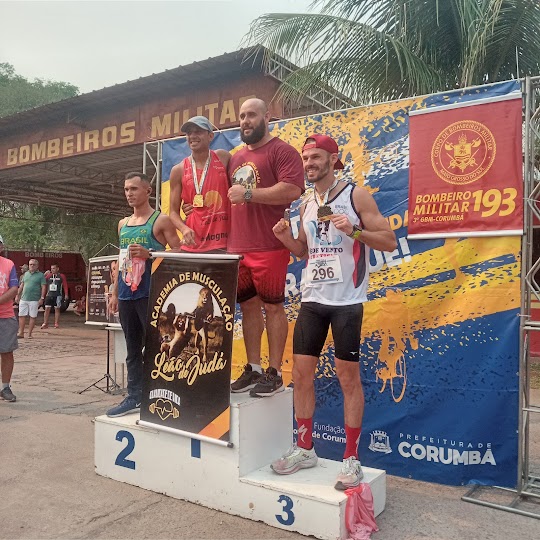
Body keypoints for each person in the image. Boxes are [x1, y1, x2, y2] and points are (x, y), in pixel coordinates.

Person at [270, 134, 397, 490]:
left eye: (316, 157)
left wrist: (354, 230)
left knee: (347, 378)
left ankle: (351, 458)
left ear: (332, 159)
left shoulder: (355, 195)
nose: (309, 164)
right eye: (305, 158)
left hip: (346, 302)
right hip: (312, 299)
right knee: (301, 374)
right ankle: (305, 448)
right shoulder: (306, 203)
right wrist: (284, 238)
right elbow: (303, 251)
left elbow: (389, 241)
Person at [228, 98, 305, 397]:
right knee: (247, 307)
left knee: (273, 307)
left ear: (266, 117)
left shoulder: (282, 151)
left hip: (269, 245)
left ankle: (274, 372)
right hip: (238, 247)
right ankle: (254, 368)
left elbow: (292, 189)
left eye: (251, 115)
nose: (245, 121)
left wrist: (248, 194)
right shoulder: (235, 157)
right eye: (241, 116)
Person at [107, 172, 182, 417]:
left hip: (152, 294)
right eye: (126, 189)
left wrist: (150, 254)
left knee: (158, 347)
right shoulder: (123, 224)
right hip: (126, 294)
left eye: (134, 189)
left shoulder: (160, 221)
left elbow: (180, 252)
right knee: (132, 349)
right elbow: (122, 260)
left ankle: (162, 394)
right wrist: (115, 293)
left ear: (148, 191)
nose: (129, 193)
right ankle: (134, 396)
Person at [169, 115, 231, 252]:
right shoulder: (178, 170)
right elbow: (173, 212)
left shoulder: (223, 157)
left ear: (210, 136)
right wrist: (184, 228)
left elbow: (236, 193)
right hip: (193, 244)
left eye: (198, 132)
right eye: (189, 133)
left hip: (223, 242)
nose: (192, 136)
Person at [0, 234, 19, 402]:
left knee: (6, 352)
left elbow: (14, 288)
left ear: (1, 247)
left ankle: (5, 387)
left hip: (5, 316)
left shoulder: (8, 264)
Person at [15, 259, 46, 338]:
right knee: (21, 315)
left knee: (32, 316)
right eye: (30, 264)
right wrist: (17, 295)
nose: (32, 266)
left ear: (37, 266)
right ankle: (21, 332)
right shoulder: (26, 274)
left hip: (34, 299)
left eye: (33, 264)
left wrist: (42, 298)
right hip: (24, 298)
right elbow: (21, 285)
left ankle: (29, 333)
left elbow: (43, 287)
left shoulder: (41, 275)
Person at [41, 264, 68, 329]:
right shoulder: (49, 275)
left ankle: (56, 323)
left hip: (58, 295)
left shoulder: (61, 276)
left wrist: (66, 294)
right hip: (49, 295)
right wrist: (44, 275)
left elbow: (65, 285)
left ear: (57, 269)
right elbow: (42, 281)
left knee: (57, 309)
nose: (52, 270)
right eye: (51, 268)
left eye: (53, 268)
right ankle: (45, 323)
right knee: (47, 309)